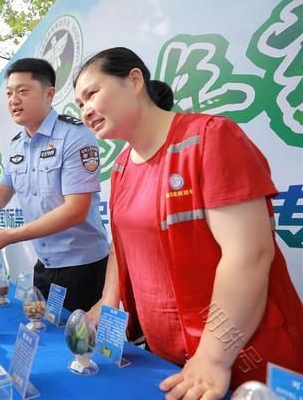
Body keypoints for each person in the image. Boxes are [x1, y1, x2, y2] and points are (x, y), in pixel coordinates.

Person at [74, 47, 303, 398]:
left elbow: (250, 254)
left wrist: (213, 356)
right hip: (168, 358)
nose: (86, 109)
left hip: (241, 356)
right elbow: (123, 246)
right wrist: (108, 299)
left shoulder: (210, 137)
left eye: (92, 93)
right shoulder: (120, 167)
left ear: (135, 80)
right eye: (79, 104)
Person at [0, 58, 110, 312]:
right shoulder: (16, 145)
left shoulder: (75, 136)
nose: (13, 100)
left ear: (49, 94)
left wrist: (9, 236)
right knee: (44, 337)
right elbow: (0, 194)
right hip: (44, 265)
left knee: (83, 346)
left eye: (23, 91)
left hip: (83, 268)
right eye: (9, 93)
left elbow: (76, 210)